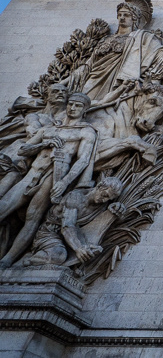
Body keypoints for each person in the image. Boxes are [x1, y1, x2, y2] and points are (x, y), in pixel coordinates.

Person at [0, 93, 98, 267]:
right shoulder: (50, 128)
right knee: (4, 207)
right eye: (71, 104)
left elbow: (83, 160)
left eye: (78, 106)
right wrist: (44, 144)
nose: (73, 108)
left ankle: (7, 260)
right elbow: (23, 149)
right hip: (32, 174)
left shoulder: (85, 131)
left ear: (85, 110)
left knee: (32, 217)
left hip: (53, 177)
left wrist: (64, 183)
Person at [66, 0, 163, 102]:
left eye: (126, 15)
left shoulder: (142, 37)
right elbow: (90, 63)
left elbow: (159, 54)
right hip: (95, 76)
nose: (122, 18)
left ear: (134, 18)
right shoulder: (106, 39)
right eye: (120, 15)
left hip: (121, 79)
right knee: (84, 100)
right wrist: (69, 79)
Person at [19, 176, 125, 267]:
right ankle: (27, 260)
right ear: (100, 186)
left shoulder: (102, 206)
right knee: (58, 255)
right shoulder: (75, 197)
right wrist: (78, 248)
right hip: (49, 233)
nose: (104, 200)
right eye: (105, 195)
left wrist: (116, 208)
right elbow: (67, 226)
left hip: (73, 237)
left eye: (109, 199)